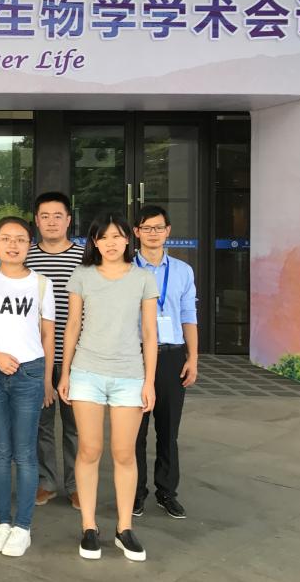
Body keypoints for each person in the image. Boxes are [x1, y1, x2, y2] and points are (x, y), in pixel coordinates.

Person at [58, 212, 158, 562]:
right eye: (104, 237)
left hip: (129, 375)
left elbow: (150, 333)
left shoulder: (143, 278)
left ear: (128, 239)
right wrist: (65, 373)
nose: (111, 243)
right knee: (89, 450)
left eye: (117, 236)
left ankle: (124, 528)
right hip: (86, 372)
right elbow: (72, 325)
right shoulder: (82, 275)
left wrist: (149, 381)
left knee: (124, 453)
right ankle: (89, 526)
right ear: (94, 242)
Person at [0, 216, 56, 557]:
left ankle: (23, 526)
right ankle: (3, 521)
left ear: (29, 244)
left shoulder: (41, 284)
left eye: (20, 239)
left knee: (25, 452)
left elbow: (47, 335)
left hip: (29, 373)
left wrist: (46, 380)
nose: (13, 244)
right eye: (6, 238)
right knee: (0, 451)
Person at [133, 205, 198, 520]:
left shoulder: (183, 271)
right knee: (135, 431)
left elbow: (188, 315)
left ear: (168, 231)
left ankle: (167, 492)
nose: (153, 233)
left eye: (158, 227)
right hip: (134, 355)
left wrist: (193, 357)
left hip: (172, 355)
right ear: (136, 232)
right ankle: (135, 493)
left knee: (168, 429)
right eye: (146, 228)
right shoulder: (126, 268)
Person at [24, 192, 84, 509]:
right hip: (37, 356)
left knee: (76, 426)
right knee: (41, 424)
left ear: (68, 220)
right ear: (36, 220)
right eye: (44, 216)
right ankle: (45, 482)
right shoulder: (26, 256)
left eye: (57, 215)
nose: (51, 222)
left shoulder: (85, 257)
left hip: (78, 356)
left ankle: (76, 485)